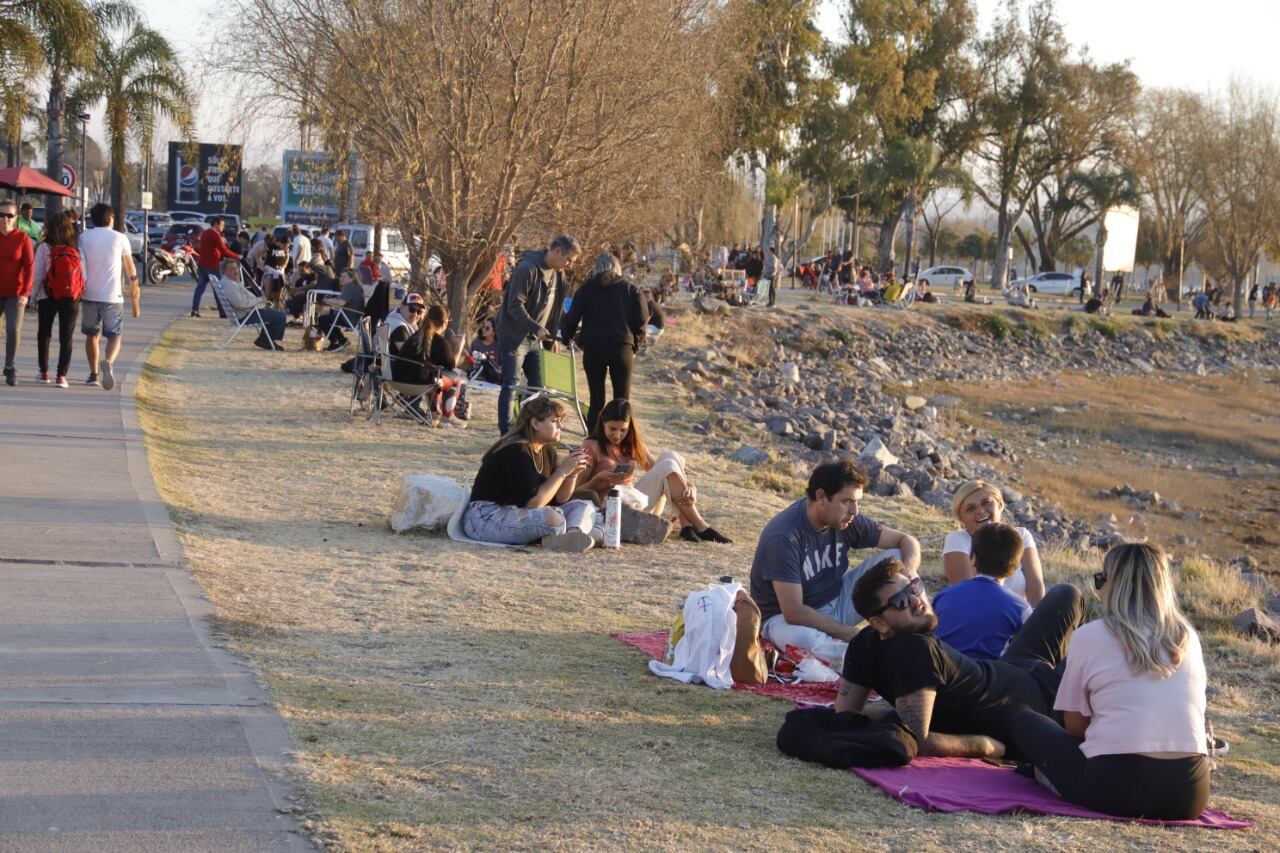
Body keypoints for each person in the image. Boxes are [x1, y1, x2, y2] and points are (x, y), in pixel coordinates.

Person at [1009, 543, 1209, 820]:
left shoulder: (1091, 635)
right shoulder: (1188, 637)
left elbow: (1076, 727)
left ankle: (1047, 776)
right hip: (1189, 795)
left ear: (1114, 586)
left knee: (1024, 722)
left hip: (1116, 789)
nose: (1098, 587)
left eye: (1100, 579)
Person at [836, 557, 1085, 758]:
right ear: (879, 622)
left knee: (1066, 594)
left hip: (1012, 667)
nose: (917, 601)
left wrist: (883, 716)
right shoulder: (915, 649)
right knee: (1099, 645)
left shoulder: (864, 642)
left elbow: (847, 717)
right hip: (1040, 701)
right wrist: (982, 745)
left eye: (914, 588)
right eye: (900, 601)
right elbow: (915, 740)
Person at [749, 460, 922, 665]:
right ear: (821, 497)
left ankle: (919, 637)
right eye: (847, 501)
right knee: (805, 641)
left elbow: (906, 541)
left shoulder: (846, 519)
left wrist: (908, 574)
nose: (855, 511)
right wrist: (849, 633)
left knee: (897, 557)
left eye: (857, 501)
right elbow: (793, 611)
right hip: (785, 619)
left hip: (837, 601)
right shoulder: (784, 536)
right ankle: (876, 660)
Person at [462, 396, 602, 551]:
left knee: (584, 506)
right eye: (554, 421)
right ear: (535, 424)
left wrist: (572, 473)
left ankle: (573, 534)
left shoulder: (547, 450)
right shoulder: (516, 450)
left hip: (516, 513)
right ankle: (575, 534)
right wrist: (563, 471)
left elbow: (560, 498)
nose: (560, 426)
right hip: (485, 517)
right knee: (553, 519)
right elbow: (533, 503)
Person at [580, 398, 728, 545]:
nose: (618, 435)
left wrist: (691, 487)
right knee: (668, 462)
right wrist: (599, 479)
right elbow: (576, 491)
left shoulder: (631, 444)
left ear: (630, 427)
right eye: (613, 429)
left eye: (623, 430)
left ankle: (687, 525)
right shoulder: (591, 446)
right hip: (610, 509)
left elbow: (666, 471)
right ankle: (699, 527)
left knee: (669, 456)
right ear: (603, 422)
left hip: (637, 502)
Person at [495, 234, 580, 434]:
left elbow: (556, 308)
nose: (569, 265)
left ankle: (531, 429)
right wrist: (535, 327)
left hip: (538, 339)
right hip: (515, 336)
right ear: (558, 251)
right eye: (568, 260)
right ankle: (506, 433)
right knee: (511, 385)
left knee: (538, 387)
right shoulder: (527, 268)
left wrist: (554, 337)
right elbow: (514, 306)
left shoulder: (559, 274)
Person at [560, 253, 648, 431]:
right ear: (617, 267)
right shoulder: (630, 289)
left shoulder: (586, 288)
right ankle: (623, 441)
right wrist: (635, 342)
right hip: (622, 346)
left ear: (596, 269)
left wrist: (567, 337)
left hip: (593, 348)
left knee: (596, 399)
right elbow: (642, 318)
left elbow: (572, 318)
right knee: (622, 400)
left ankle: (593, 441)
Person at [934, 523, 1033, 660]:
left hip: (940, 672)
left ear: (973, 559)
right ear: (1014, 568)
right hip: (985, 677)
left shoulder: (943, 596)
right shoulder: (1021, 608)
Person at [943, 480, 1045, 606]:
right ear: (961, 518)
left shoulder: (1021, 535)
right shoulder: (958, 540)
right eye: (970, 508)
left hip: (1022, 619)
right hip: (984, 617)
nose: (980, 510)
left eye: (986, 502)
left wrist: (1034, 620)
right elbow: (966, 592)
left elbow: (1035, 585)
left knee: (1067, 594)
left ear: (1000, 504)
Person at [78, 203, 138, 390]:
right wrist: (134, 287)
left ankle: (93, 373)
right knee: (114, 336)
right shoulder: (120, 238)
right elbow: (130, 268)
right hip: (112, 295)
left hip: (89, 293)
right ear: (110, 218)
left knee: (91, 335)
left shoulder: (84, 237)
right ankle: (109, 362)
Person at [32, 210, 84, 387]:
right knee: (66, 337)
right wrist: (80, 292)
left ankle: (44, 372)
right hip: (71, 297)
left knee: (44, 334)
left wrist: (33, 296)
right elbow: (84, 274)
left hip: (48, 295)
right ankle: (61, 376)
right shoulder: (75, 247)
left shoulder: (44, 247)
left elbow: (38, 274)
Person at [0, 198, 35, 386]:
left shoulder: (22, 239)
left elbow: (30, 268)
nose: (4, 219)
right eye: (1, 215)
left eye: (9, 215)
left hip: (15, 292)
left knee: (13, 328)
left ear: (15, 218)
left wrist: (26, 293)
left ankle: (10, 366)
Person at [217, 258, 286, 350]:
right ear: (224, 271)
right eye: (232, 269)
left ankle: (265, 338)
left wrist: (238, 280)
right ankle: (265, 340)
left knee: (272, 313)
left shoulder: (229, 282)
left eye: (237, 268)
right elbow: (241, 303)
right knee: (280, 316)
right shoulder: (229, 285)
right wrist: (260, 300)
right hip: (246, 315)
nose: (236, 271)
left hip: (246, 312)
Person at [424, 303, 467, 425]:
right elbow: (452, 367)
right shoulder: (439, 341)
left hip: (403, 380)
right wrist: (459, 347)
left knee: (438, 375)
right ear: (444, 323)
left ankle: (434, 411)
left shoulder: (417, 335)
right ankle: (447, 416)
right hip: (424, 382)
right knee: (454, 378)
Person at [193, 216, 240, 318]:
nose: (223, 227)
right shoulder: (215, 235)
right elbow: (224, 250)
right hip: (212, 265)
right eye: (222, 224)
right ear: (216, 224)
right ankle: (222, 312)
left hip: (202, 264)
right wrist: (237, 256)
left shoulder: (205, 233)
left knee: (200, 288)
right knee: (218, 290)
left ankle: (194, 309)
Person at [314, 268, 365, 351]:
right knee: (329, 317)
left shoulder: (350, 286)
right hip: (355, 317)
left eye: (344, 277)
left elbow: (341, 302)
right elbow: (339, 300)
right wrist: (330, 301)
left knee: (322, 319)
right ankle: (342, 340)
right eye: (341, 277)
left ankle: (335, 343)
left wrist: (327, 300)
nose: (341, 279)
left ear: (352, 278)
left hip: (349, 319)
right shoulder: (356, 286)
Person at [468, 316, 502, 383]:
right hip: (476, 376)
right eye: (483, 327)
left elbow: (501, 366)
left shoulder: (499, 345)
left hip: (493, 379)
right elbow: (470, 360)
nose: (483, 329)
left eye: (487, 328)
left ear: (494, 331)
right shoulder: (476, 342)